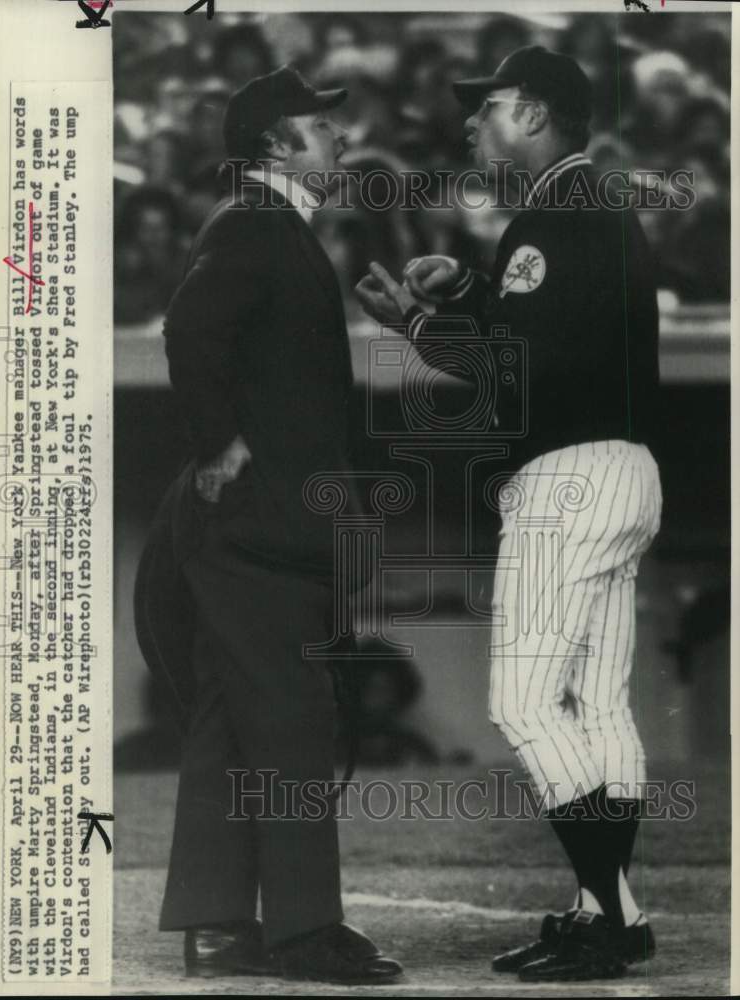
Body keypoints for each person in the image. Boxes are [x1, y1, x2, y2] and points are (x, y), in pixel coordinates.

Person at [355, 45, 661, 983]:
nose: (469, 125)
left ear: (531, 114)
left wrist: (412, 326)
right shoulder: (592, 207)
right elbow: (549, 343)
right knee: (596, 702)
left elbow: (512, 380)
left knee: (523, 702)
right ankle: (611, 914)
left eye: (484, 109)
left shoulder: (548, 212)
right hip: (627, 468)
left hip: (564, 476)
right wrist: (476, 294)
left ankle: (604, 915)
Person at [134, 66, 402, 985]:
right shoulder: (255, 223)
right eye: (319, 129)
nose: (337, 140)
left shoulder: (271, 226)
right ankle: (301, 933)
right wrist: (220, 445)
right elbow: (187, 332)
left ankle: (215, 927)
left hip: (253, 524)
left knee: (227, 719)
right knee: (292, 717)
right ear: (276, 147)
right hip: (254, 524)